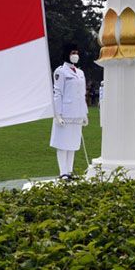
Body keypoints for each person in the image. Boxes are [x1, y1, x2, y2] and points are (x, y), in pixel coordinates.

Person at [50, 45, 88, 179]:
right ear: (67, 54)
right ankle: (63, 172)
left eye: (77, 52)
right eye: (73, 52)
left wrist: (84, 113)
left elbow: (82, 95)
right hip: (65, 113)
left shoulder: (80, 73)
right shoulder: (61, 72)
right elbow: (58, 93)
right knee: (62, 143)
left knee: (72, 143)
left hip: (77, 113)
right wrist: (57, 114)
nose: (75, 55)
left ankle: (70, 171)